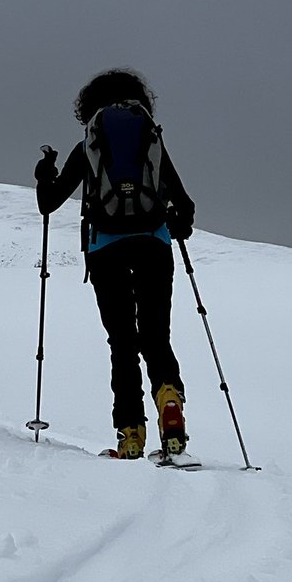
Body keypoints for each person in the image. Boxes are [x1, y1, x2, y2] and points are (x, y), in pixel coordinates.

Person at [34, 69, 196, 460]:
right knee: (156, 334)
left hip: (105, 250)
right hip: (153, 245)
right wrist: (172, 222)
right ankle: (169, 400)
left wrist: (45, 176)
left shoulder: (88, 145)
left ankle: (131, 434)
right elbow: (185, 208)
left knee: (122, 341)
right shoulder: (151, 141)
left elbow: (49, 203)